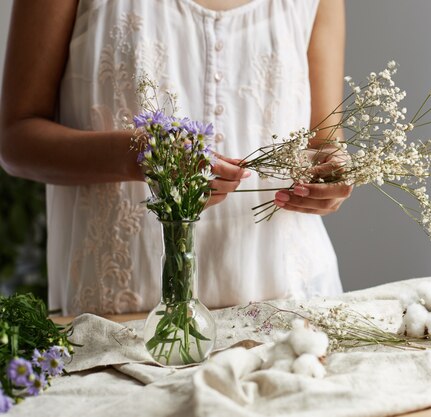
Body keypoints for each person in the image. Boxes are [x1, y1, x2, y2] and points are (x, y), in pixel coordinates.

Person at [0, 0, 352, 315]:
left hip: (292, 304)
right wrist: (142, 156)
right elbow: (16, 139)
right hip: (124, 316)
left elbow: (324, 140)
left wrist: (332, 176)